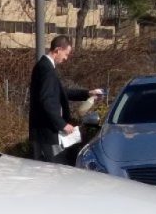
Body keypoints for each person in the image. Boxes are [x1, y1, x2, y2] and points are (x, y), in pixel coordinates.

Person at [29, 35, 104, 164]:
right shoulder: (46, 70)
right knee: (54, 169)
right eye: (66, 54)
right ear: (57, 50)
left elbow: (61, 92)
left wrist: (88, 93)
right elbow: (46, 101)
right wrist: (62, 124)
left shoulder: (45, 67)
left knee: (48, 169)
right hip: (48, 133)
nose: (66, 58)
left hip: (44, 132)